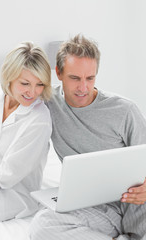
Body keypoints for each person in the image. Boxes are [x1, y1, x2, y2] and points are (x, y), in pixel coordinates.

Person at [30, 34, 146, 240]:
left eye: (90, 78)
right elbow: (10, 91)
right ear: (58, 73)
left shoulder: (124, 110)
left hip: (132, 205)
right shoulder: (48, 103)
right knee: (42, 224)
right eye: (74, 78)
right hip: (90, 210)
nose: (83, 88)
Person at [0, 42, 52, 223]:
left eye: (39, 84)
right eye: (25, 83)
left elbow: (8, 175)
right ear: (9, 77)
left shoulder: (39, 120)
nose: (33, 92)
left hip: (14, 194)